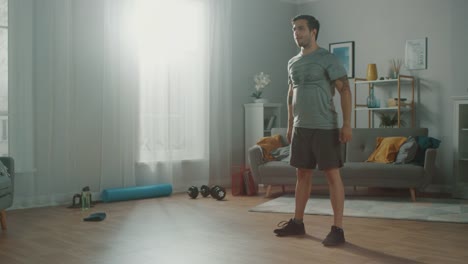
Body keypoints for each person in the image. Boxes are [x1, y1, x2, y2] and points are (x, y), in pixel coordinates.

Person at [273, 15, 352, 247]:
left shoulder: (327, 58)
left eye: (301, 29)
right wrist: (289, 124)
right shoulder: (292, 62)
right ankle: (298, 222)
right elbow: (290, 94)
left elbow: (345, 90)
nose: (296, 33)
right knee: (302, 174)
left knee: (332, 175)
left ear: (313, 31)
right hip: (301, 127)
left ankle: (338, 229)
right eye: (294, 29)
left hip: (325, 126)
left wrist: (347, 124)